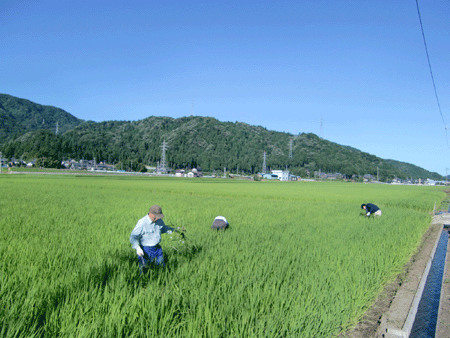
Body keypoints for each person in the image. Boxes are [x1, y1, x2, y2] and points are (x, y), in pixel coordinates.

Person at [130, 205, 185, 273]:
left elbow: (164, 229)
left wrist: (177, 230)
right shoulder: (142, 222)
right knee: (144, 269)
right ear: (150, 213)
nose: (157, 219)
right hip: (145, 250)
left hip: (157, 248)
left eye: (158, 217)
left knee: (161, 267)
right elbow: (133, 236)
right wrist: (137, 248)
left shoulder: (159, 221)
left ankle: (161, 279)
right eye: (155, 217)